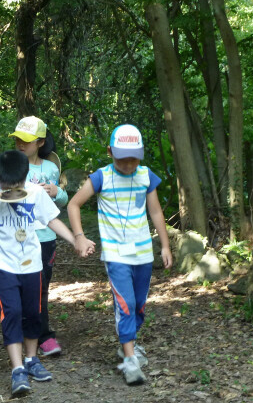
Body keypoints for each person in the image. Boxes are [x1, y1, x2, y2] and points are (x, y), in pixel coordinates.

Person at [0, 150, 94, 397]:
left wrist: (76, 239)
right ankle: (17, 368)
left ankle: (31, 359)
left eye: (17, 185)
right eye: (7, 186)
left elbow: (52, 220)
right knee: (12, 312)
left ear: (25, 178)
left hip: (32, 264)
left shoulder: (35, 192)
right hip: (3, 265)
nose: (12, 190)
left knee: (33, 312)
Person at [67, 124, 173, 386]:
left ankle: (129, 344)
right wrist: (79, 237)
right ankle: (129, 360)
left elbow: (156, 212)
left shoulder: (146, 176)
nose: (128, 164)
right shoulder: (101, 177)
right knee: (124, 304)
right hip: (115, 254)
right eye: (122, 158)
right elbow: (74, 204)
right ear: (110, 152)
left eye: (133, 158)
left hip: (143, 254)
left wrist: (165, 245)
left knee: (138, 304)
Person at [10, 116, 68, 357]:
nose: (21, 145)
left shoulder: (51, 168)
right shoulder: (12, 165)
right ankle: (21, 334)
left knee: (42, 288)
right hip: (18, 237)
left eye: (27, 140)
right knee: (19, 288)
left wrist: (58, 192)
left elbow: (58, 204)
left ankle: (43, 335)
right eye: (17, 140)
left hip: (45, 237)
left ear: (41, 142)